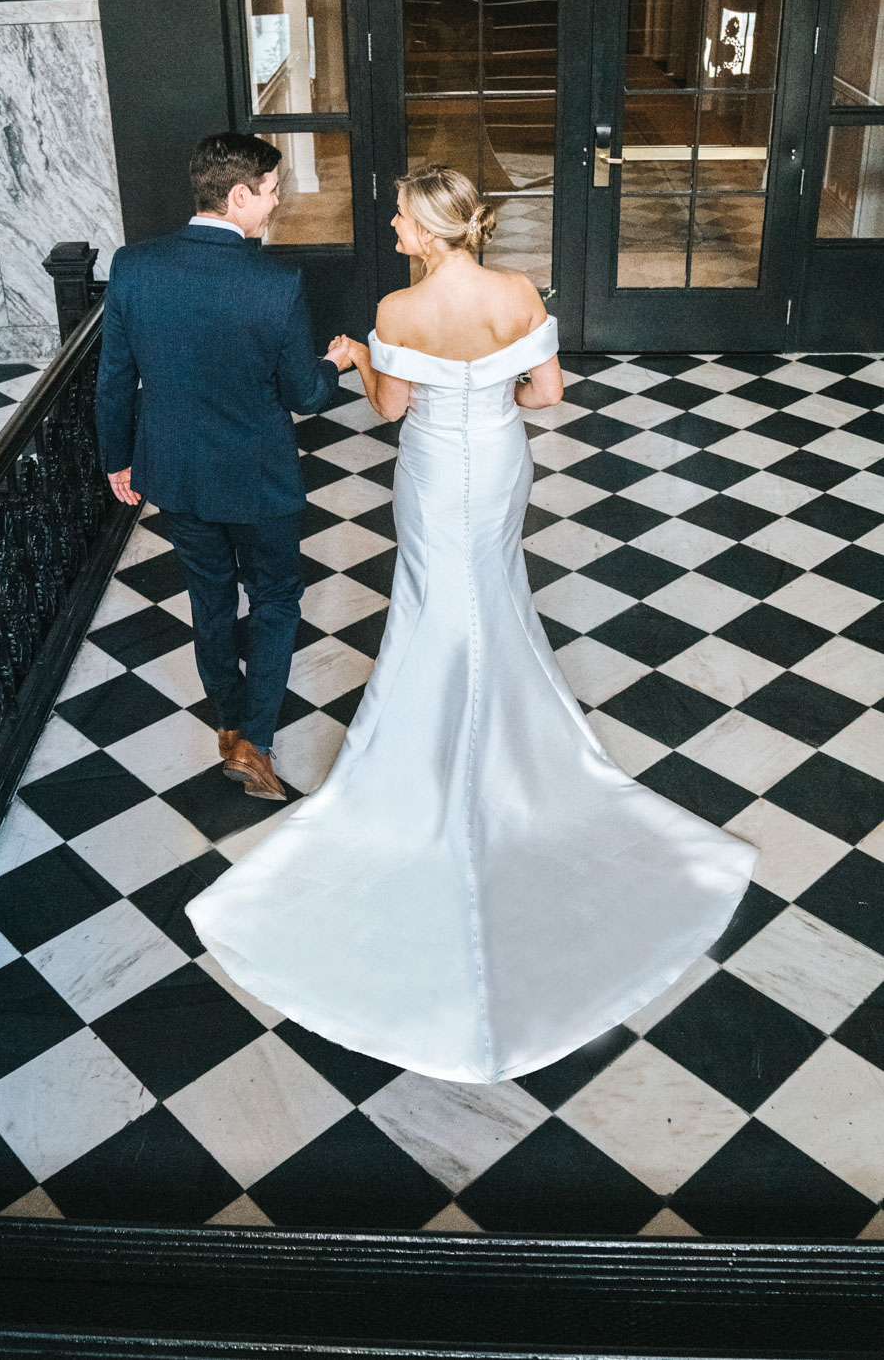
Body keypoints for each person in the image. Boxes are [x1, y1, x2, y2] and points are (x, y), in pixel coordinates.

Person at [187, 165, 756, 1085]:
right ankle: (513, 741)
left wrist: (363, 354)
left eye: (400, 217)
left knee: (428, 598)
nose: (391, 225)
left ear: (428, 228)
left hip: (427, 468)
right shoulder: (515, 291)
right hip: (494, 463)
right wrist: (490, 392)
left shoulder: (398, 312)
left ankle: (427, 742)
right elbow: (545, 397)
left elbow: (388, 408)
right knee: (491, 591)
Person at [95, 131, 350, 803]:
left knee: (209, 597)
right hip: (257, 478)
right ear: (238, 195)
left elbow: (114, 380)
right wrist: (338, 364)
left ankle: (229, 722)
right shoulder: (276, 282)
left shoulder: (134, 266)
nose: (274, 206)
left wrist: (118, 459)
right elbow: (305, 394)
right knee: (273, 597)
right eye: (270, 193)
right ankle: (254, 740)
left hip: (173, 470)